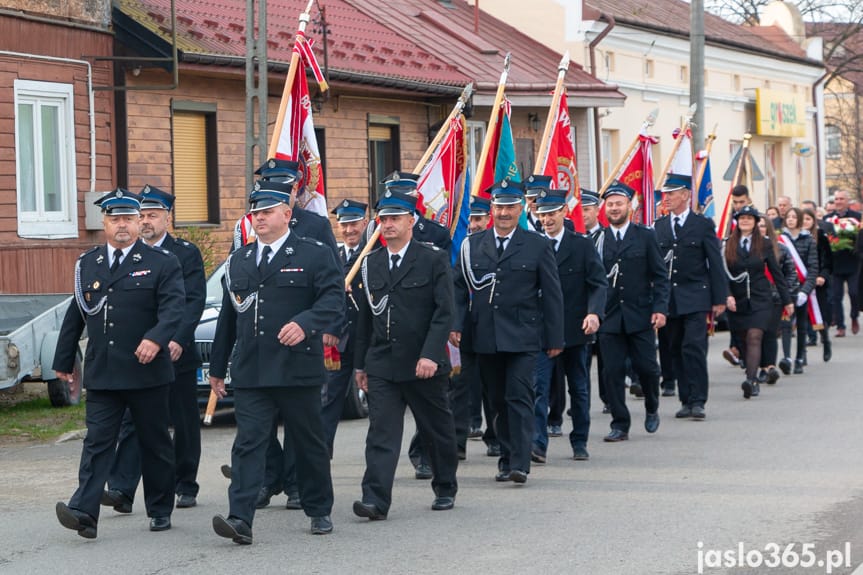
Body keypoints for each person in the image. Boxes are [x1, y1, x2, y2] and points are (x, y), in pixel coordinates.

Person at [208, 181, 344, 543]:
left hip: (298, 368)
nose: (259, 218)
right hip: (252, 368)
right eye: (255, 213)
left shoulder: (313, 254)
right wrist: (218, 368)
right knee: (249, 443)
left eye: (267, 212)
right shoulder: (240, 259)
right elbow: (228, 318)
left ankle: (318, 508)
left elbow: (334, 301)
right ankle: (240, 518)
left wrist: (306, 324)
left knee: (308, 441)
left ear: (287, 214)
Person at [53, 189, 184, 538]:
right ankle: (84, 512)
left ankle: (159, 508)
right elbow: (77, 313)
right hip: (104, 372)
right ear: (105, 224)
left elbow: (174, 307)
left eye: (129, 218)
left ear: (140, 222)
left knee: (154, 442)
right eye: (115, 219)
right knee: (97, 442)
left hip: (147, 372)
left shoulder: (161, 262)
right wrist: (64, 360)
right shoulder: (88, 264)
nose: (123, 225)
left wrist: (156, 338)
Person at [352, 188, 458, 520]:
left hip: (423, 362)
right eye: (383, 219)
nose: (388, 225)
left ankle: (445, 486)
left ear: (411, 221)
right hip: (383, 363)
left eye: (395, 218)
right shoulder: (370, 264)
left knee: (435, 429)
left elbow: (445, 312)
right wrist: (359, 365)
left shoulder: (433, 258)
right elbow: (365, 318)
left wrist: (430, 354)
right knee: (381, 432)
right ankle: (375, 500)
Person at [101, 185, 206, 515]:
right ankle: (122, 488)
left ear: (167, 217)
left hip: (177, 352)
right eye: (141, 215)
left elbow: (191, 302)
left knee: (183, 420)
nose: (145, 221)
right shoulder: (130, 253)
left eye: (152, 215)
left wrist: (177, 339)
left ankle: (185, 483)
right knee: (134, 422)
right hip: (141, 357)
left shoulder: (184, 253)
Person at [452, 179, 564, 483]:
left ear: (520, 210)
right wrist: (455, 326)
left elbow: (552, 294)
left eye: (510, 207)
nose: (504, 212)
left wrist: (555, 338)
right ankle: (505, 456)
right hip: (484, 337)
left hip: (524, 337)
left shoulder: (537, 244)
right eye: (499, 206)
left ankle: (519, 462)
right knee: (497, 401)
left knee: (520, 396)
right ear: (491, 209)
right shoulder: (472, 245)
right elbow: (459, 290)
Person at [533, 188, 606, 461]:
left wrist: (594, 313)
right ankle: (537, 444)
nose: (547, 220)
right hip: (542, 330)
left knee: (578, 387)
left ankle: (579, 441)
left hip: (576, 329)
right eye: (542, 215)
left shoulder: (582, 245)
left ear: (564, 212)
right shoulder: (533, 243)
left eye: (552, 213)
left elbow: (598, 283)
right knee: (538, 388)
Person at [596, 181, 669, 441]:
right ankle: (620, 423)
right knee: (612, 372)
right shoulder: (598, 239)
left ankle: (652, 405)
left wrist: (660, 309)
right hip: (609, 316)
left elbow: (660, 276)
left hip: (640, 314)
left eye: (619, 203)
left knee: (648, 368)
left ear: (630, 206)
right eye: (610, 204)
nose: (614, 208)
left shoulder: (645, 236)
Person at [654, 174, 727, 420]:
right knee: (674, 348)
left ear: (685, 195)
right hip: (669, 299)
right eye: (666, 194)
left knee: (693, 347)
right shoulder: (660, 226)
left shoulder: (702, 224)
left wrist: (720, 298)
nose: (668, 198)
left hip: (696, 295)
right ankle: (685, 399)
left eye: (672, 194)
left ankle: (698, 400)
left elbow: (715, 263)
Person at [722, 206, 792, 399]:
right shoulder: (728, 244)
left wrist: (787, 300)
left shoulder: (765, 244)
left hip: (760, 298)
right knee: (743, 339)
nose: (745, 221)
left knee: (755, 336)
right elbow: (723, 275)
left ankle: (751, 380)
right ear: (737, 222)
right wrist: (727, 295)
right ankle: (751, 373)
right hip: (737, 300)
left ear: (755, 222)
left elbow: (777, 273)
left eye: (749, 218)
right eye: (741, 218)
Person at [320, 199, 369, 455]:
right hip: (338, 341)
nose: (349, 230)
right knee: (328, 399)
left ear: (365, 222)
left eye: (354, 224)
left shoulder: (372, 254)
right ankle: (321, 453)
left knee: (380, 403)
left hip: (369, 340)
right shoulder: (333, 257)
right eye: (344, 225)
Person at [462, 197, 500, 456]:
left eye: (478, 219)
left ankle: (495, 437)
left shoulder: (493, 246)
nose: (473, 224)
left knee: (491, 386)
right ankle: (461, 435)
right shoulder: (463, 244)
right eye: (471, 219)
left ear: (489, 219)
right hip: (464, 325)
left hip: (490, 325)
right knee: (463, 384)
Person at [778, 207, 818, 375]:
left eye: (795, 217)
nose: (791, 220)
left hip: (802, 289)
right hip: (787, 288)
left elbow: (813, 268)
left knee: (801, 324)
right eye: (789, 217)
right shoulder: (780, 240)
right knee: (786, 323)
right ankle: (786, 357)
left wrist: (805, 290)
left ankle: (799, 358)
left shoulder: (808, 240)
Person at [825, 189, 861, 337]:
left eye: (841, 199)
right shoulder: (827, 219)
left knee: (854, 292)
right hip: (835, 262)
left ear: (847, 201)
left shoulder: (857, 217)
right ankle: (841, 325)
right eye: (836, 199)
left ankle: (854, 317)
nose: (838, 202)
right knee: (835, 296)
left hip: (853, 261)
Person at [801, 208, 833, 361]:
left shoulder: (820, 236)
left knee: (818, 314)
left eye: (808, 219)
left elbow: (828, 261)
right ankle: (802, 353)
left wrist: (822, 276)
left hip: (817, 282)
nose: (805, 222)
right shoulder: (794, 238)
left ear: (814, 221)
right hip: (800, 282)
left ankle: (825, 340)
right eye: (803, 219)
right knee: (802, 316)